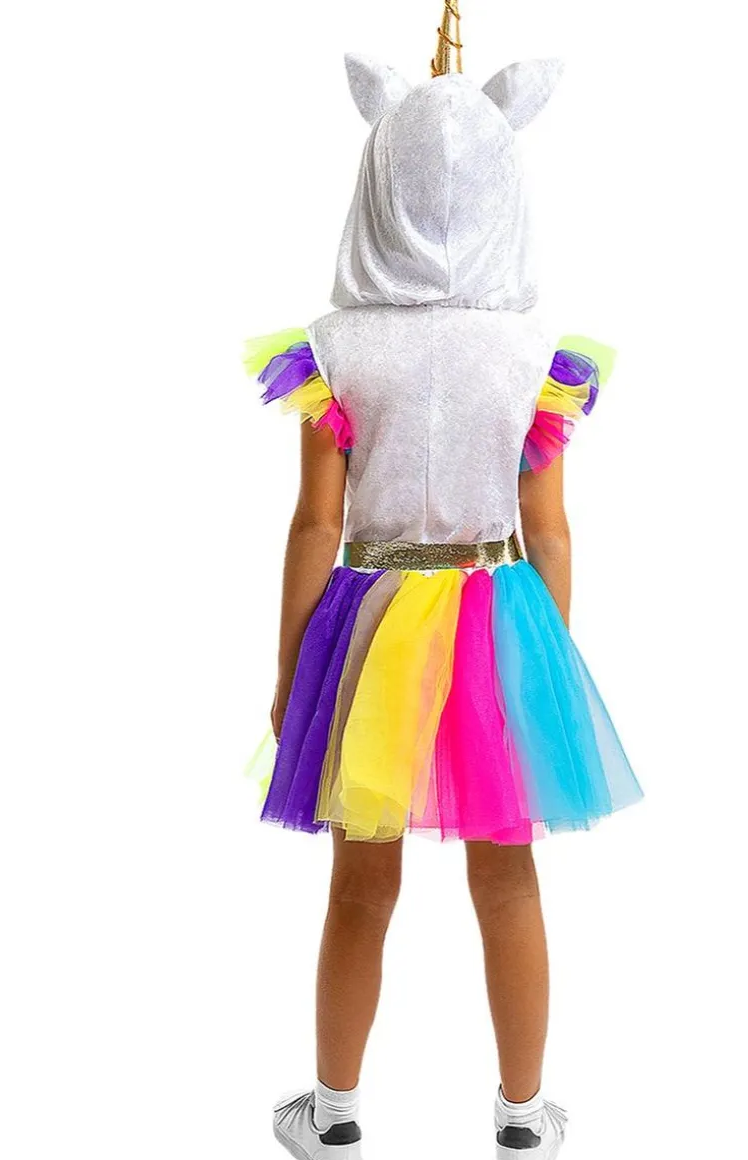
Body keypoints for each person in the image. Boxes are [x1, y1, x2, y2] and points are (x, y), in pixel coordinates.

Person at [247, 17, 642, 1158]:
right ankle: (522, 1119)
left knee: (359, 886)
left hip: (367, 622)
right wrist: (542, 672)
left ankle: (330, 1114)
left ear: (376, 183)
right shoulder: (533, 353)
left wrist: (291, 670)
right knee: (506, 884)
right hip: (492, 614)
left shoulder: (337, 347)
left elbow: (316, 523)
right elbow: (548, 532)